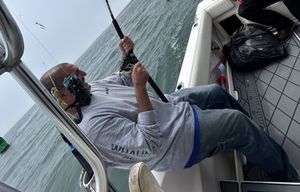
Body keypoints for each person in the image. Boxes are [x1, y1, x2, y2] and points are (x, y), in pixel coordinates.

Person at [40, 37, 299, 182]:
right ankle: (284, 175)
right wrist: (140, 89)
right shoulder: (93, 128)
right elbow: (149, 145)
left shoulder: (90, 88)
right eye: (76, 76)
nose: (85, 74)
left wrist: (126, 56)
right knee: (237, 123)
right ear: (63, 95)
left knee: (214, 93)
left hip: (169, 108)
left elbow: (122, 78)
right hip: (174, 143)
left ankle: (257, 147)